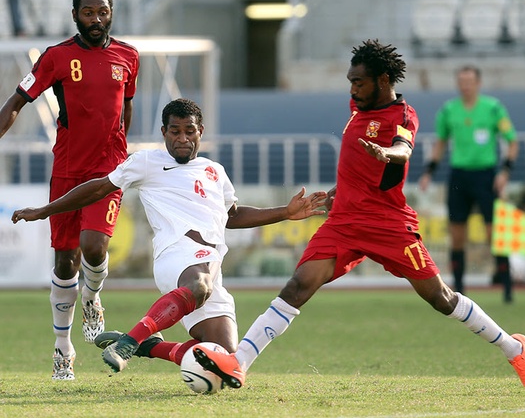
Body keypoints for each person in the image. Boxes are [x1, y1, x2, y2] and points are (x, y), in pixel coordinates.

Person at [189, 40, 525, 390]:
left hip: (388, 224)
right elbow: (354, 163)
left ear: (382, 79)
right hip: (345, 223)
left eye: (359, 82)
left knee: (441, 298)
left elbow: (404, 148)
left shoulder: (403, 115)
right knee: (298, 285)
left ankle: (514, 349)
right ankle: (238, 363)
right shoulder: (357, 107)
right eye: (350, 81)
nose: (352, 89)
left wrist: (386, 152)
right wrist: (342, 191)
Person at [12, 98, 327, 374]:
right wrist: (45, 210)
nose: (182, 139)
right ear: (164, 133)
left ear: (200, 131)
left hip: (211, 266)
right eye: (175, 131)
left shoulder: (214, 170)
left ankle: (148, 346)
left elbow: (232, 215)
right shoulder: (146, 162)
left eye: (189, 131)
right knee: (199, 285)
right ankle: (129, 341)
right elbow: (98, 188)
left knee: (225, 360)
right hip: (178, 255)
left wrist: (285, 212)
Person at [0, 0, 140, 380]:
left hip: (108, 169)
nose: (96, 19)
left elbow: (126, 104)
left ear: (111, 14)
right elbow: (16, 102)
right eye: (88, 13)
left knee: (94, 246)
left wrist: (122, 152)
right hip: (66, 169)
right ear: (75, 15)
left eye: (102, 12)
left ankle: (93, 300)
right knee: (65, 260)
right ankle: (63, 348)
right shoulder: (56, 57)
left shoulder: (128, 56)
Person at [419, 66, 519, 302]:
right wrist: (428, 172)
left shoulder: (493, 108)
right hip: (459, 176)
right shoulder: (448, 110)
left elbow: (512, 141)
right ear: (457, 83)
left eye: (469, 81)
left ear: (478, 83)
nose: (465, 85)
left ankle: (506, 288)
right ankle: (459, 290)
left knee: (493, 233)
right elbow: (441, 143)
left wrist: (504, 172)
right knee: (457, 233)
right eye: (461, 81)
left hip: (486, 175)